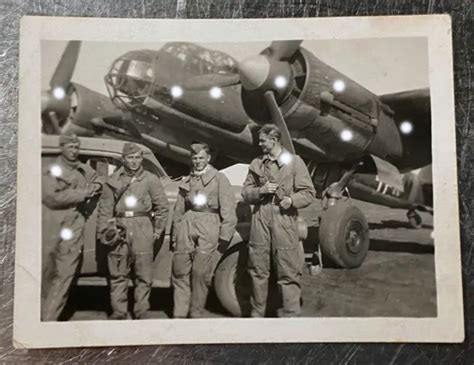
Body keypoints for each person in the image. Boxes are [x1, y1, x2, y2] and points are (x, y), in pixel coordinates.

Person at [242, 124, 315, 317]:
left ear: (274, 140)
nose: (259, 144)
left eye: (262, 140)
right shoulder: (256, 164)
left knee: (288, 271)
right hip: (260, 220)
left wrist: (291, 200)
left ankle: (291, 318)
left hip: (285, 221)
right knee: (258, 270)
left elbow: (309, 193)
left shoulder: (294, 162)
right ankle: (257, 316)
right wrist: (261, 191)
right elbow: (245, 193)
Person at [97, 142, 169, 320]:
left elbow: (162, 207)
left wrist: (157, 231)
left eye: (137, 157)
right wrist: (104, 232)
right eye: (130, 158)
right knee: (118, 272)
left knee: (144, 274)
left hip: (143, 226)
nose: (134, 161)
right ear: (123, 159)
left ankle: (141, 311)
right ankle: (119, 312)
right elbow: (105, 209)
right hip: (119, 225)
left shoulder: (151, 179)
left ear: (142, 159)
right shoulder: (113, 180)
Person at [172, 143, 237, 318]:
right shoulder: (187, 180)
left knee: (200, 273)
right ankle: (179, 315)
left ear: (208, 158)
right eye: (195, 158)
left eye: (201, 158)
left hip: (209, 223)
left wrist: (224, 238)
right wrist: (175, 235)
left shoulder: (219, 179)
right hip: (188, 222)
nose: (198, 161)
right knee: (179, 271)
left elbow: (229, 210)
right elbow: (179, 209)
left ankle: (195, 314)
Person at [42, 133, 103, 321]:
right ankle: (37, 314)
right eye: (70, 146)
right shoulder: (52, 169)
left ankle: (49, 319)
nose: (74, 150)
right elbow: (51, 197)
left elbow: (99, 180)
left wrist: (97, 185)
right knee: (45, 268)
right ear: (62, 148)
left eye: (77, 147)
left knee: (66, 271)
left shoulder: (83, 170)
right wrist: (83, 193)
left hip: (75, 220)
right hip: (52, 219)